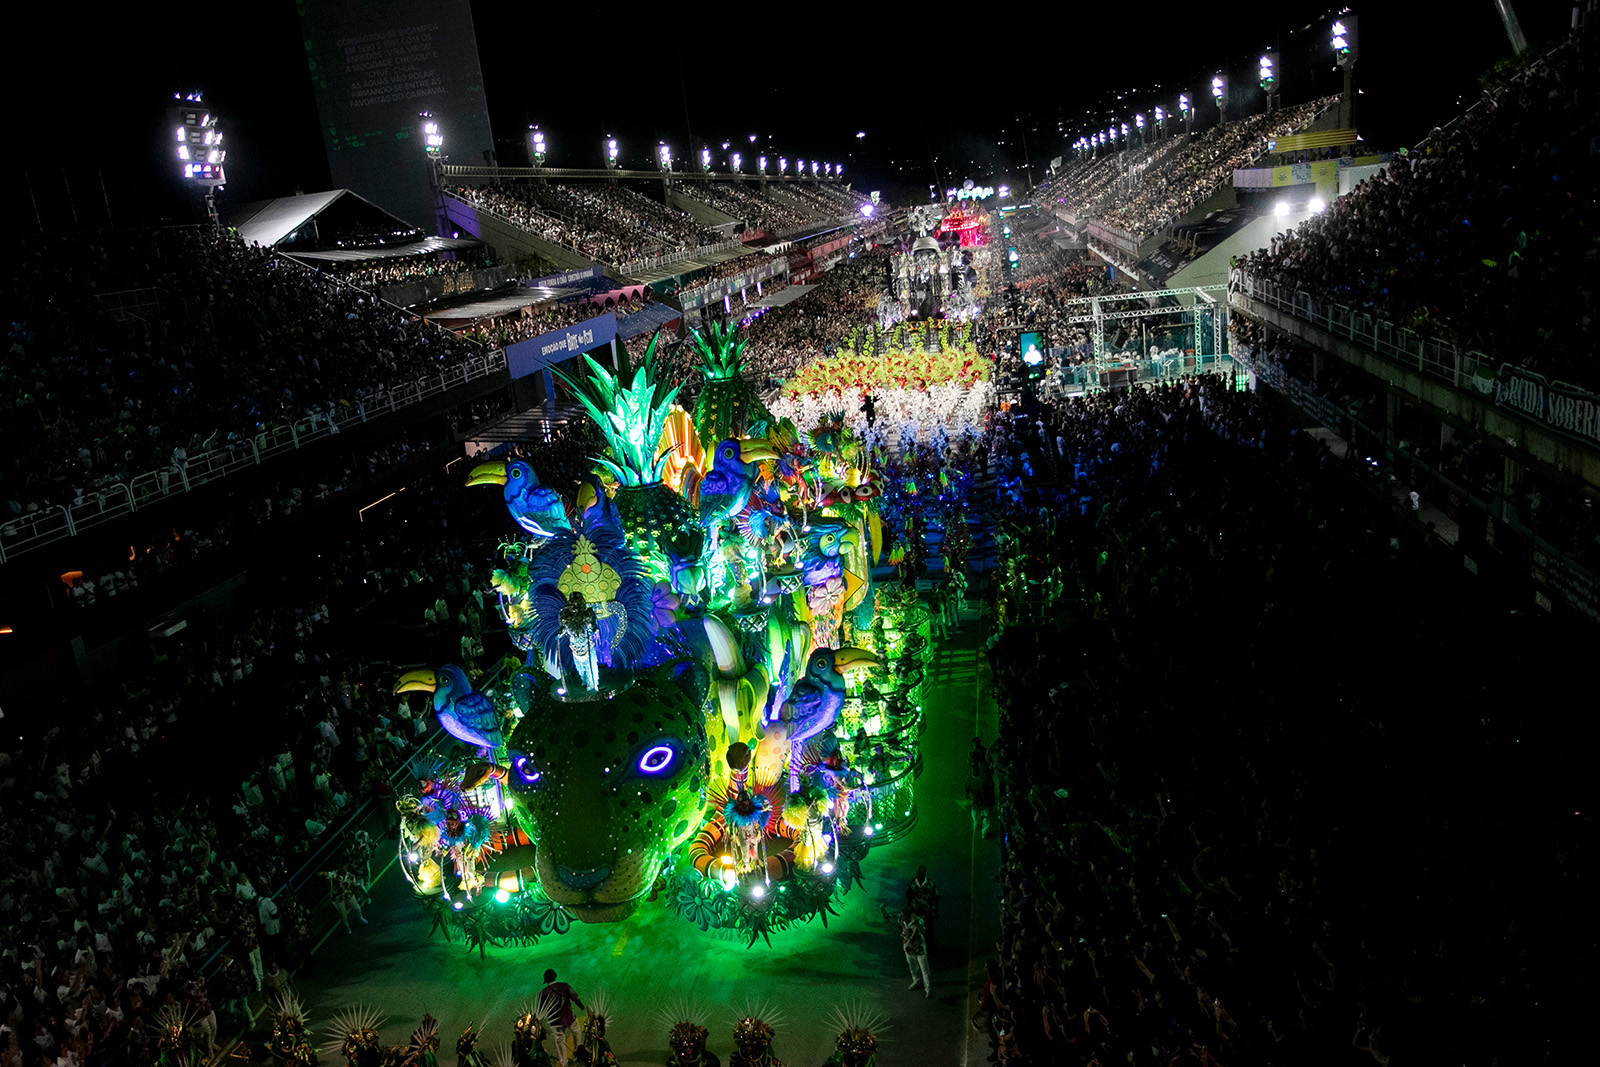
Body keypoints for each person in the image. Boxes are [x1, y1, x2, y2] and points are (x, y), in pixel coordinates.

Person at [538, 969, 585, 1067]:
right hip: (568, 1017)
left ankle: (564, 1063)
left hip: (555, 1022)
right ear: (555, 976)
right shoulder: (564, 986)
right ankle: (577, 1054)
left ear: (546, 980)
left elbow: (541, 1011)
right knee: (577, 1031)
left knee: (560, 1041)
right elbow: (575, 998)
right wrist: (581, 1006)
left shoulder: (542, 993)